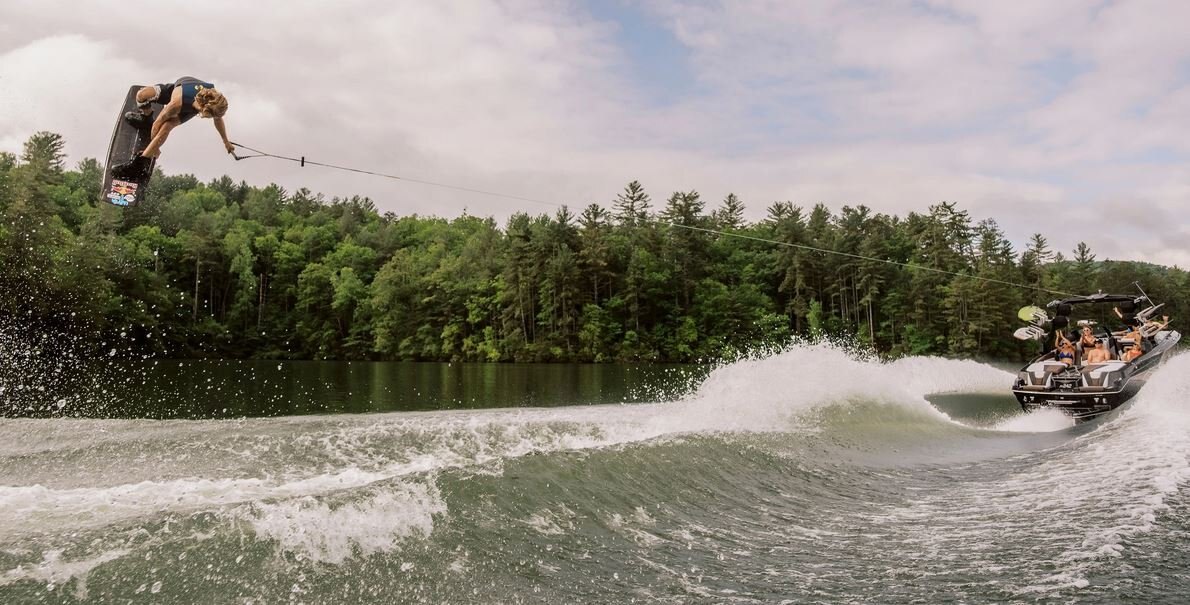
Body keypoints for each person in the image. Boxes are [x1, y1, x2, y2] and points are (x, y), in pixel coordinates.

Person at [113, 77, 232, 177]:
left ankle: (139, 164)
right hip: (175, 92)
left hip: (190, 103)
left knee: (167, 126)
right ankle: (146, 119)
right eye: (210, 116)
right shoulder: (176, 104)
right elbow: (156, 124)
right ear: (204, 108)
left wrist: (226, 141)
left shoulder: (214, 100)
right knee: (141, 95)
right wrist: (155, 149)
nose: (211, 118)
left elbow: (218, 119)